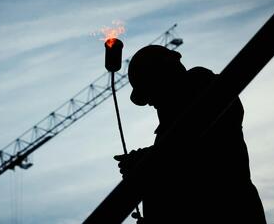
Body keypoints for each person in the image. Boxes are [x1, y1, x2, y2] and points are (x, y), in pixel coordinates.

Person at [114, 45, 266, 223]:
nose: (150, 103)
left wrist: (147, 162)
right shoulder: (171, 130)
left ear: (164, 77)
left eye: (151, 91)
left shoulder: (210, 94)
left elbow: (197, 157)